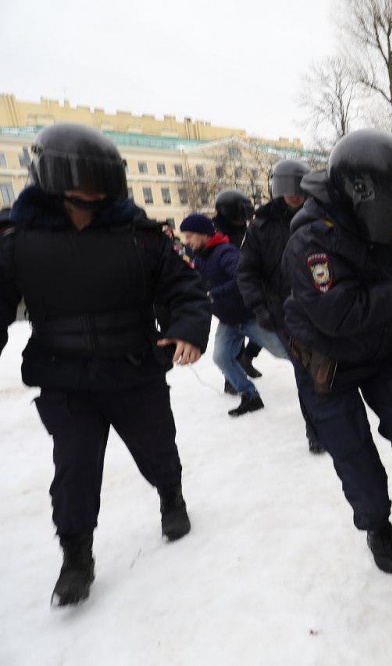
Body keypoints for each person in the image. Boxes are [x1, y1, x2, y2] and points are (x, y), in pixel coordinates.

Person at [0, 122, 211, 605]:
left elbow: (184, 286)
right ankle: (76, 555)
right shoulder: (18, 239)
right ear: (52, 188)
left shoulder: (141, 235)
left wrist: (187, 327)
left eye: (98, 198)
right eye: (78, 199)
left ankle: (170, 496)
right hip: (65, 377)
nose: (88, 208)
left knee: (158, 447)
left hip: (134, 367)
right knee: (74, 468)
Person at [282, 128, 392, 574]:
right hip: (327, 365)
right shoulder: (312, 241)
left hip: (383, 353)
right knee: (357, 461)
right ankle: (378, 527)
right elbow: (340, 313)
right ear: (360, 196)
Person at [236, 159, 323, 452]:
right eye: (288, 189)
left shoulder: (320, 216)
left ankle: (336, 422)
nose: (294, 195)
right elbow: (247, 272)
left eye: (299, 189)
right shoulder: (262, 227)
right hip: (286, 313)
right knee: (306, 374)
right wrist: (261, 308)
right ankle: (316, 431)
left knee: (330, 370)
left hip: (324, 307)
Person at [180, 214, 289, 416]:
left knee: (287, 352)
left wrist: (213, 294)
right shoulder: (199, 257)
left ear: (204, 235)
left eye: (190, 236)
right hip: (229, 320)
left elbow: (241, 279)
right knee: (221, 357)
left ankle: (328, 378)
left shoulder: (225, 253)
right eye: (185, 237)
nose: (186, 241)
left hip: (250, 316)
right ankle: (250, 396)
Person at [213, 188, 261, 383]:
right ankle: (231, 379)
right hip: (228, 292)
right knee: (234, 336)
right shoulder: (215, 233)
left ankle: (246, 359)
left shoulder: (245, 231)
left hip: (250, 288)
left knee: (264, 327)